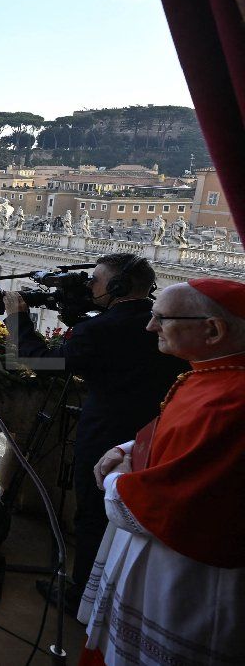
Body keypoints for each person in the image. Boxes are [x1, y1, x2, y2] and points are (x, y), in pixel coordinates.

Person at [3, 253, 188, 613]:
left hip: (106, 436)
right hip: (158, 435)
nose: (90, 287)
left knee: (93, 517)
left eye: (96, 281)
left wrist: (17, 320)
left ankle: (80, 599)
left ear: (116, 287)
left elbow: (38, 362)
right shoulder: (162, 321)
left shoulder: (100, 329)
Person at [78, 279, 245, 665]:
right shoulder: (209, 371)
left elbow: (177, 497)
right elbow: (176, 431)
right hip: (154, 544)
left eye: (160, 318)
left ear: (213, 329)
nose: (150, 326)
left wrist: (118, 480)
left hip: (187, 572)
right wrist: (128, 448)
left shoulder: (232, 399)